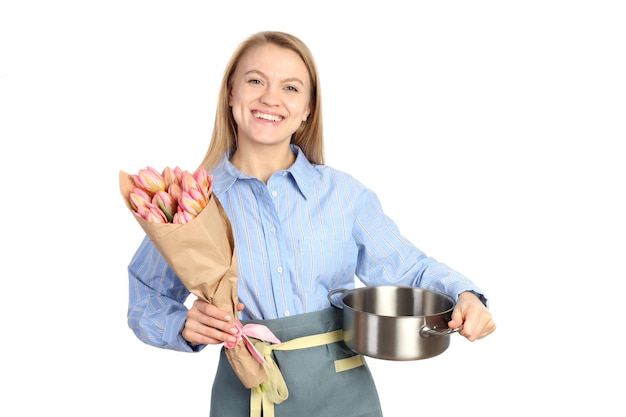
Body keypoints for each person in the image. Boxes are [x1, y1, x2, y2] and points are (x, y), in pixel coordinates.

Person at [127, 30, 496, 417]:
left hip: (343, 396)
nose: (270, 98)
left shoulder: (344, 195)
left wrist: (465, 294)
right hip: (249, 392)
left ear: (307, 108)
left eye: (290, 87)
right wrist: (182, 325)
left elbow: (409, 269)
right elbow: (144, 295)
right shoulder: (190, 203)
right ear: (230, 93)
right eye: (255, 81)